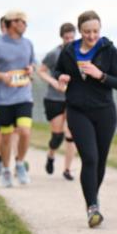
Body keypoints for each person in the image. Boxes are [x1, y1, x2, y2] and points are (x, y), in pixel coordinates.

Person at [55, 10, 117, 227]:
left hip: (104, 111)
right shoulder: (69, 50)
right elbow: (58, 71)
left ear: (100, 29)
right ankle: (92, 207)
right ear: (80, 31)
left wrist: (99, 74)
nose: (91, 36)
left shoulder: (109, 50)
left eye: (95, 31)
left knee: (101, 160)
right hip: (77, 110)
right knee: (90, 158)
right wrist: (62, 77)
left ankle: (93, 197)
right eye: (86, 32)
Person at [0, 10, 36, 187]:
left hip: (24, 96)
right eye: (23, 22)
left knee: (25, 131)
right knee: (5, 137)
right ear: (13, 23)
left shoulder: (28, 44)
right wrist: (1, 76)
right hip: (3, 99)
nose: (25, 25)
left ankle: (19, 163)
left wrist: (30, 69)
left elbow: (32, 64)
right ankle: (6, 170)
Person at [38, 23, 78, 181]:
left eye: (72, 37)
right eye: (66, 37)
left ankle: (67, 169)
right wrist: (53, 82)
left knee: (71, 134)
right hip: (54, 98)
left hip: (72, 99)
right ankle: (51, 154)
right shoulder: (54, 54)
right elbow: (41, 71)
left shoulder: (79, 53)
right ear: (61, 37)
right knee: (57, 136)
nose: (69, 40)